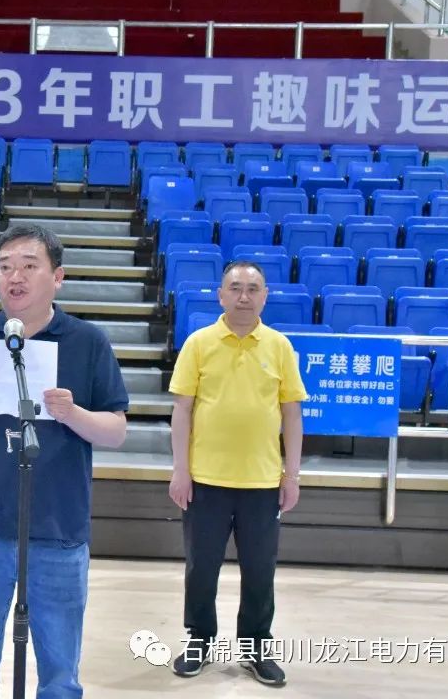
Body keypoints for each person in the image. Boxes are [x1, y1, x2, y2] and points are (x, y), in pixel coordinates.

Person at [0, 224, 129, 698]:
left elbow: (117, 431)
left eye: (28, 266)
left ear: (57, 277)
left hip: (58, 529)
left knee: (60, 676)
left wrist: (72, 413)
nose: (14, 277)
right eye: (5, 267)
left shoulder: (88, 342)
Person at [167, 261, 307, 688]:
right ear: (221, 295)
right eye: (235, 287)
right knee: (201, 568)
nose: (244, 296)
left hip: (262, 483)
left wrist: (291, 475)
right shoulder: (199, 343)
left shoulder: (280, 346)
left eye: (252, 288)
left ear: (265, 296)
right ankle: (199, 641)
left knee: (260, 571)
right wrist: (180, 470)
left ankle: (256, 648)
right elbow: (182, 410)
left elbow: (292, 414)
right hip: (205, 480)